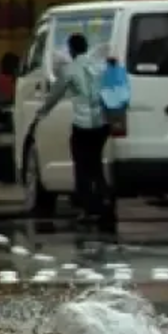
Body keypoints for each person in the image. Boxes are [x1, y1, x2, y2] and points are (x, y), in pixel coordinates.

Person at [32, 33, 113, 226]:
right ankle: (106, 204)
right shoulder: (100, 67)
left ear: (71, 50)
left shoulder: (69, 70)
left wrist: (40, 115)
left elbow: (54, 96)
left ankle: (88, 209)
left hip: (83, 125)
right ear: (86, 47)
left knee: (82, 166)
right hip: (102, 124)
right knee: (96, 165)